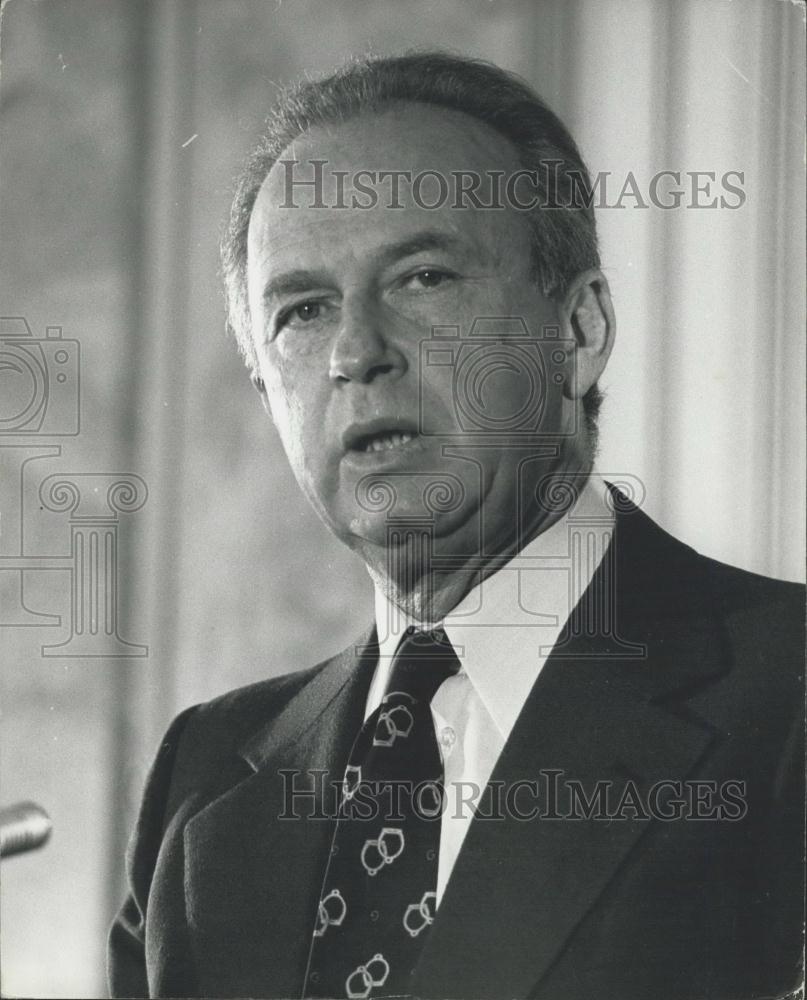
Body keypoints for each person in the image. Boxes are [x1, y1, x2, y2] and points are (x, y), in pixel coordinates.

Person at [108, 52, 804, 1000]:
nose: (356, 351)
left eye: (424, 278)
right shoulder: (203, 783)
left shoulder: (786, 695)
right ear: (266, 385)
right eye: (302, 310)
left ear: (580, 330)